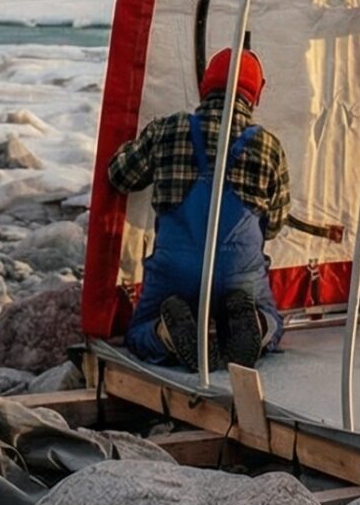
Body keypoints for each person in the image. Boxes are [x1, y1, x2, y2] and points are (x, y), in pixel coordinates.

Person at [106, 48, 340, 368]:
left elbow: (119, 176)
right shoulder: (268, 146)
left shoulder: (168, 130)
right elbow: (274, 223)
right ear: (255, 95)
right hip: (238, 273)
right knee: (274, 320)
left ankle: (166, 333)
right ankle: (255, 325)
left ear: (206, 86)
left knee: (138, 332)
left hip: (175, 270)